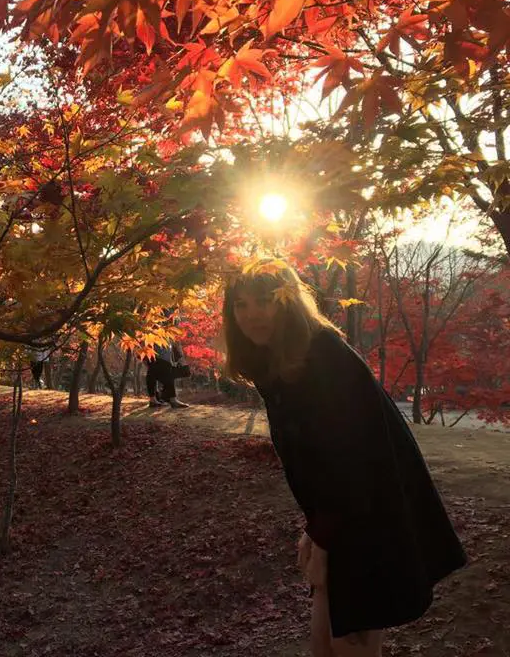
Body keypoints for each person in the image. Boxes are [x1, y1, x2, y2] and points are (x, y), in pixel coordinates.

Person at [222, 260, 466, 657]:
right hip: (343, 518)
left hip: (371, 517)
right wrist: (316, 530)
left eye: (265, 300)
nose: (252, 314)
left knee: (350, 643)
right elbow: (318, 460)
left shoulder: (323, 356)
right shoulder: (278, 365)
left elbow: (352, 458)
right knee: (325, 646)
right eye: (240, 304)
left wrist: (321, 537)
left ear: (288, 302)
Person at [145, 341, 190, 409]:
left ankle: (155, 399)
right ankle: (171, 399)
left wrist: (179, 357)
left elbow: (173, 346)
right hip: (157, 358)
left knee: (155, 375)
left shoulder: (169, 337)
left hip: (163, 359)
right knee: (167, 376)